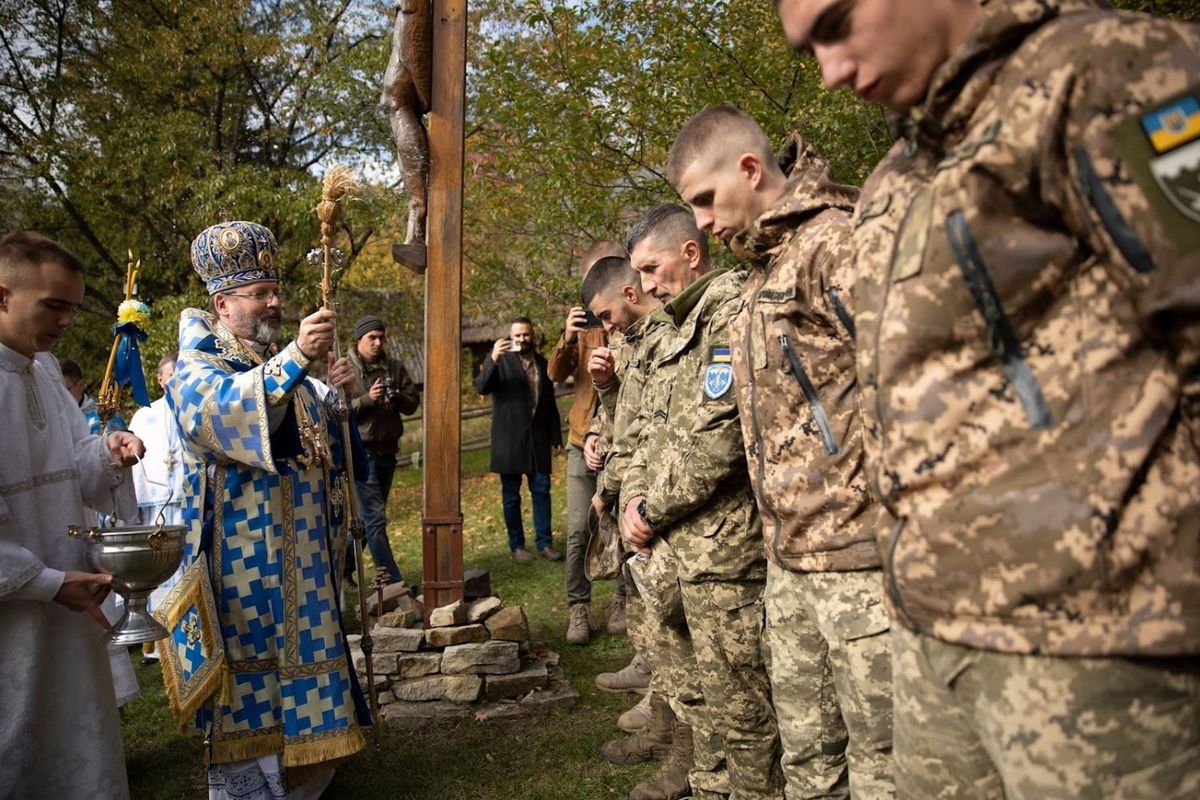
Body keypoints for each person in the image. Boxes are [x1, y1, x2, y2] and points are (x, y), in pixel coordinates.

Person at [776, 0, 1200, 796]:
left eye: (836, 25)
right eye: (809, 52)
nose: (831, 74)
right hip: (936, 634)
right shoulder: (898, 175)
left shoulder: (1107, 69)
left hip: (1101, 649)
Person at [669, 105, 893, 799]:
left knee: (886, 769)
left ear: (749, 168)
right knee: (808, 767)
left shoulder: (835, 245)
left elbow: (911, 384)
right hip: (789, 565)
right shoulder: (758, 276)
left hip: (862, 564)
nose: (702, 224)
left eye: (706, 200)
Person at [166, 220, 368, 798]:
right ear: (223, 303)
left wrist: (335, 400)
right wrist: (299, 356)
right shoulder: (195, 366)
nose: (275, 300)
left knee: (302, 680)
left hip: (302, 566)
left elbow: (306, 437)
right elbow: (228, 414)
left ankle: (307, 779)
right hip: (243, 571)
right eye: (260, 292)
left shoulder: (271, 358)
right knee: (254, 691)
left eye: (275, 288)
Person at [622, 205, 781, 800]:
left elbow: (719, 438)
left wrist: (652, 508)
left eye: (652, 267)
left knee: (745, 713)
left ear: (691, 254)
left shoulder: (732, 310)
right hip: (671, 551)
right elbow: (641, 431)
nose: (645, 285)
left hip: (724, 556)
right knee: (700, 699)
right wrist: (633, 498)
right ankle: (709, 787)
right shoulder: (666, 331)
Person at [0, 230, 144, 799]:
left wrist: (108, 452)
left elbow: (74, 469)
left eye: (74, 309)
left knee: (78, 745)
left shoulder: (44, 370)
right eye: (54, 305)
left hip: (71, 596)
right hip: (14, 615)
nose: (66, 322)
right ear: (2, 295)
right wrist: (45, 582)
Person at [548, 240, 628, 644]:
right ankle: (578, 608)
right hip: (582, 438)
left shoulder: (629, 319)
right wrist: (566, 336)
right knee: (580, 528)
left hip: (623, 442)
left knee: (623, 525)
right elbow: (556, 374)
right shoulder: (581, 326)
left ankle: (621, 600)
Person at [474, 316, 563, 562]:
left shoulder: (544, 363)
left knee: (542, 490)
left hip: (538, 439)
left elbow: (549, 402)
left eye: (526, 335)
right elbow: (481, 387)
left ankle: (545, 543)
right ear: (510, 338)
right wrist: (492, 358)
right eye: (517, 336)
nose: (522, 340)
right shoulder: (499, 362)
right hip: (510, 441)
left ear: (532, 336)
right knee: (511, 496)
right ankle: (517, 547)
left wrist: (555, 435)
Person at [346, 314, 420, 587]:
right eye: (371, 338)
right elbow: (335, 410)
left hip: (388, 451)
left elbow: (413, 404)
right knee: (376, 518)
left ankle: (342, 566)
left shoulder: (395, 367)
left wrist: (396, 396)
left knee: (368, 519)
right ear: (359, 340)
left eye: (381, 337)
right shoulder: (346, 370)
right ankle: (393, 583)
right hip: (361, 453)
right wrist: (368, 399)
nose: (377, 343)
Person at [128, 350, 186, 664]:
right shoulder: (144, 415)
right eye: (170, 372)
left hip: (189, 504)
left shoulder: (195, 409)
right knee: (161, 572)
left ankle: (189, 634)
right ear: (160, 378)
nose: (175, 377)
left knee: (189, 570)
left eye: (181, 371)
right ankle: (158, 639)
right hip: (157, 508)